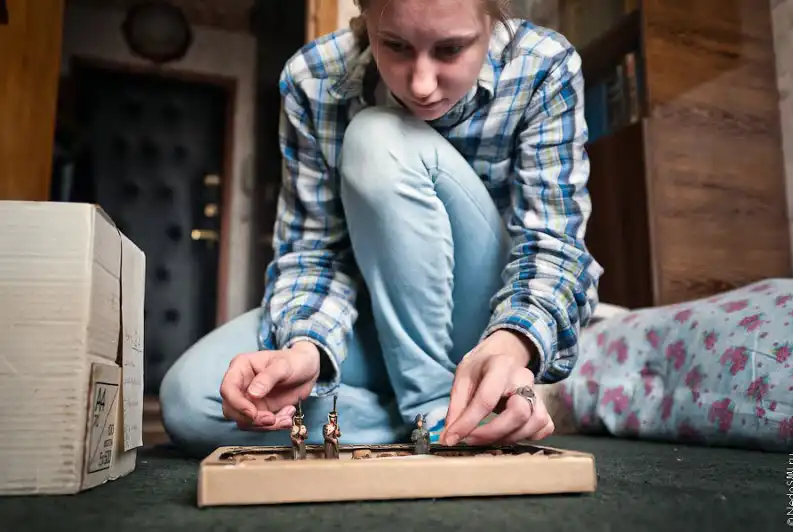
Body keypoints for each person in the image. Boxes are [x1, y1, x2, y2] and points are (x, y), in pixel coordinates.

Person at [159, 0, 603, 458]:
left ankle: (436, 402)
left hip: (485, 320)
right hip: (366, 317)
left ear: (492, 20)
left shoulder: (543, 65)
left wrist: (513, 345)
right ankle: (445, 421)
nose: (421, 85)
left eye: (451, 49)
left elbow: (553, 246)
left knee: (377, 139)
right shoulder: (312, 79)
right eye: (395, 45)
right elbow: (313, 252)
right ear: (365, 16)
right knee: (194, 402)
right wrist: (306, 348)